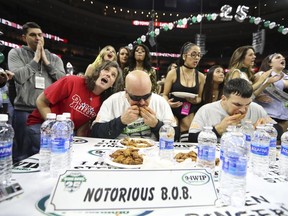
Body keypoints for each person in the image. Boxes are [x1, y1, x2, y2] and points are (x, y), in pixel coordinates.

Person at [25, 61, 123, 156]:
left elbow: (83, 126)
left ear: (113, 84)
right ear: (98, 72)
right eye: (106, 70)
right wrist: (55, 128)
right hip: (41, 126)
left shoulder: (104, 103)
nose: (108, 74)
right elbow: (41, 101)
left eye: (113, 75)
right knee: (55, 157)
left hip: (67, 134)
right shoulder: (72, 81)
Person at [7, 21, 65, 161]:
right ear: (24, 38)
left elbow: (63, 81)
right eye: (33, 35)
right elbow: (19, 77)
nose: (37, 38)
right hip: (23, 111)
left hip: (47, 113)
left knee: (46, 153)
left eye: (40, 35)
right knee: (22, 154)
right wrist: (36, 59)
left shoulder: (53, 58)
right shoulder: (16, 53)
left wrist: (46, 62)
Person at [91, 70, 177, 141]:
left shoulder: (160, 102)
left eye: (146, 96)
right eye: (136, 98)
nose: (142, 102)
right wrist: (121, 122)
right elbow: (95, 133)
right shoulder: (112, 101)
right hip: (117, 151)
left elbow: (175, 137)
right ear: (126, 93)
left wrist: (156, 125)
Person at [189, 78, 273, 142]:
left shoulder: (256, 108)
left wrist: (265, 128)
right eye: (237, 105)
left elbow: (277, 130)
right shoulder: (206, 110)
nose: (243, 110)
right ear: (224, 99)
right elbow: (192, 139)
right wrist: (218, 129)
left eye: (247, 104)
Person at [162, 42, 205, 139]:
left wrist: (195, 100)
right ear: (184, 56)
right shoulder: (173, 73)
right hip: (173, 108)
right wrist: (167, 103)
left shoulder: (201, 77)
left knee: (188, 136)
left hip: (189, 109)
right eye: (193, 55)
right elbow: (165, 94)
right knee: (172, 134)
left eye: (199, 55)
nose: (197, 58)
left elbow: (199, 98)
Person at [254, 53, 288, 136]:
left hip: (285, 117)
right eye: (278, 57)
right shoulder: (261, 75)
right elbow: (253, 91)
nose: (282, 59)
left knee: (281, 143)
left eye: (283, 57)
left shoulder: (286, 76)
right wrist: (258, 96)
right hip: (267, 115)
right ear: (270, 63)